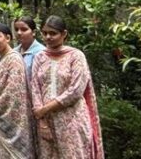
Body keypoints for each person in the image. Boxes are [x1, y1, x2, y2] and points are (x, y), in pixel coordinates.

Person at [29, 16, 103, 159]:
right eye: (44, 33)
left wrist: (45, 109)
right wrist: (42, 122)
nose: (48, 37)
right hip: (47, 121)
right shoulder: (40, 57)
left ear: (64, 34)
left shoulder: (75, 56)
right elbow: (35, 88)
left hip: (72, 120)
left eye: (53, 33)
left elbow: (76, 90)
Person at [0, 22, 35, 159]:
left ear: (8, 38)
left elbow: (12, 93)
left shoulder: (14, 59)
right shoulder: (0, 59)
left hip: (9, 121)